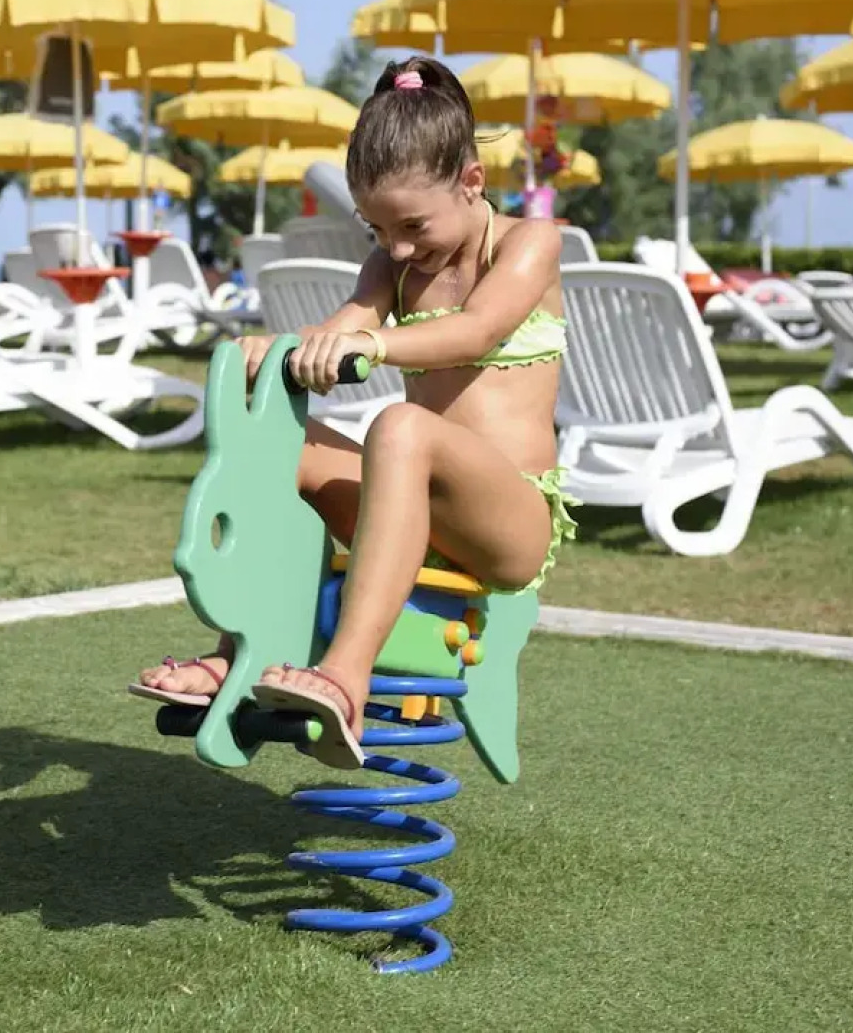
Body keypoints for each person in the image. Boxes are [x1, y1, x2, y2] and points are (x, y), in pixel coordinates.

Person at [132, 56, 577, 769]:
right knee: (286, 441)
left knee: (399, 427)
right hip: (416, 515)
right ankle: (239, 651)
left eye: (411, 225)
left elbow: (476, 331)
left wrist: (373, 342)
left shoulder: (529, 244)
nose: (398, 247)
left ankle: (345, 675)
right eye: (375, 229)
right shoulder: (392, 268)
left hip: (508, 521)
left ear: (472, 182)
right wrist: (275, 349)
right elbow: (335, 330)